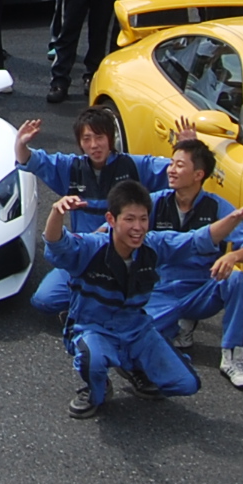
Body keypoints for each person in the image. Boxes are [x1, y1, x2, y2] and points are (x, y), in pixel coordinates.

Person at [39, 174, 243, 418]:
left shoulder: (154, 244)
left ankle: (135, 367)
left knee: (187, 384)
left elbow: (199, 238)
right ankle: (98, 388)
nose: (138, 227)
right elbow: (57, 244)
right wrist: (56, 213)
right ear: (111, 219)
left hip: (136, 329)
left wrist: (236, 217)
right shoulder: (92, 246)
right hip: (95, 329)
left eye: (143, 219)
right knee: (92, 360)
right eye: (129, 219)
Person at [14, 111, 175, 325]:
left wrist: (186, 148)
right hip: (86, 254)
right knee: (44, 300)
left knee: (154, 303)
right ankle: (92, 308)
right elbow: (32, 160)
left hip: (127, 254)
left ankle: (99, 311)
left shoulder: (134, 166)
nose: (94, 145)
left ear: (111, 137)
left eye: (99, 137)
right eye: (87, 139)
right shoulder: (72, 167)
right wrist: (21, 143)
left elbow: (176, 170)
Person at [145, 139, 243, 391]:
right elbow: (118, 227)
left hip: (202, 289)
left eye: (179, 165)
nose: (171, 170)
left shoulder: (217, 206)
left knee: (236, 279)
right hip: (161, 291)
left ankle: (233, 357)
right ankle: (179, 327)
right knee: (138, 337)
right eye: (171, 163)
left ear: (198, 174)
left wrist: (233, 256)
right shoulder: (155, 202)